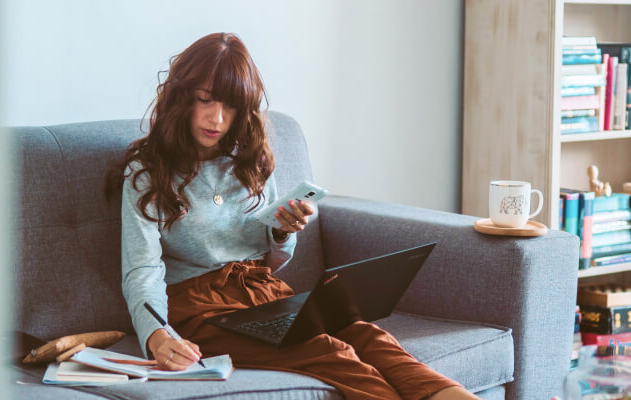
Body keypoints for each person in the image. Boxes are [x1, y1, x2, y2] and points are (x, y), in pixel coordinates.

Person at [105, 32, 479, 400]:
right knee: (332, 353)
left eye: (231, 106)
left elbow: (273, 260)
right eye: (205, 100)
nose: (217, 118)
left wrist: (282, 232)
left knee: (367, 334)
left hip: (263, 292)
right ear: (182, 97)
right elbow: (141, 269)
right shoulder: (147, 172)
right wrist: (156, 334)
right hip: (200, 309)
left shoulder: (249, 162)